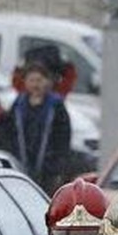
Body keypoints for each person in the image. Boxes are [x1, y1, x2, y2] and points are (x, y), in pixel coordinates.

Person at [10, 50, 72, 194]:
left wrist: (58, 166)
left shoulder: (55, 106)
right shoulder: (18, 105)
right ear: (25, 82)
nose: (35, 85)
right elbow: (9, 133)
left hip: (47, 169)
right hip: (21, 165)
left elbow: (63, 138)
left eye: (39, 80)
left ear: (47, 82)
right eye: (31, 80)